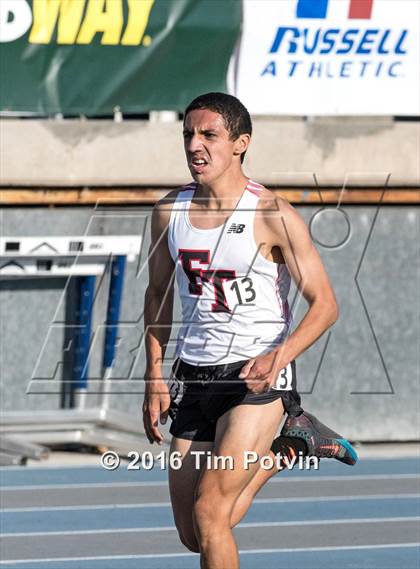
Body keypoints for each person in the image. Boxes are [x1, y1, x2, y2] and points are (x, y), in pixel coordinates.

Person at [142, 92, 357, 569]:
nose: (195, 146)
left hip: (255, 380)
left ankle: (285, 437)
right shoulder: (168, 212)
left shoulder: (272, 213)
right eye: (188, 135)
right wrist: (153, 372)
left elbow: (326, 306)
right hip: (195, 376)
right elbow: (157, 293)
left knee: (211, 512)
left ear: (240, 143)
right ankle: (289, 449)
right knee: (192, 534)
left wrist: (278, 359)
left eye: (209, 135)